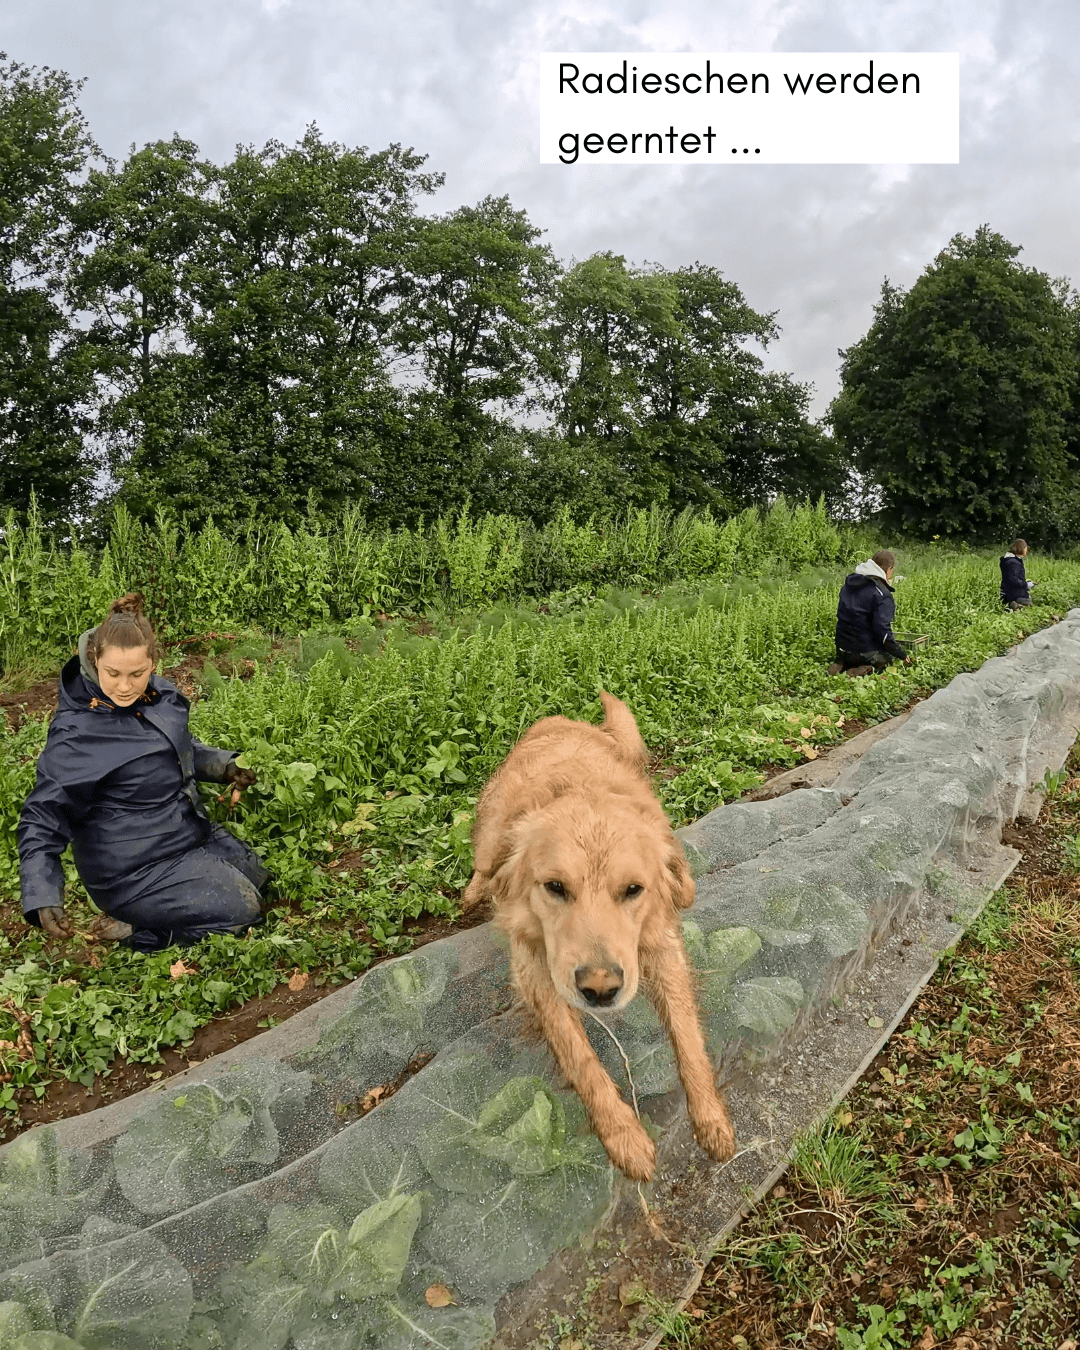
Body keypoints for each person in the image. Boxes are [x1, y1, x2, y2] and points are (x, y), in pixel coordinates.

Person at [18, 594, 268, 952]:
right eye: (113, 674)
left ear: (152, 663)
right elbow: (43, 815)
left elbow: (181, 750)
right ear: (94, 661)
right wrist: (41, 891)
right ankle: (139, 927)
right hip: (132, 869)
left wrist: (227, 766)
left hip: (184, 833)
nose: (124, 687)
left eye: (137, 673)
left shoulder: (156, 696)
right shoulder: (77, 734)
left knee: (259, 879)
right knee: (243, 909)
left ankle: (163, 906)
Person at [828, 549, 911, 676]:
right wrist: (901, 654)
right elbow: (883, 633)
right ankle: (861, 670)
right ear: (889, 569)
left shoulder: (849, 584)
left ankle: (840, 664)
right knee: (887, 660)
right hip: (862, 651)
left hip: (841, 647)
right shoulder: (881, 594)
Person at [1000, 538, 1036, 610]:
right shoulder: (1013, 562)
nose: (1026, 551)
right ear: (1021, 548)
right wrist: (1026, 585)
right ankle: (1014, 605)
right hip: (1015, 593)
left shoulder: (1009, 560)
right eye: (1026, 548)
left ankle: (1013, 604)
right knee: (1029, 606)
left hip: (1008, 591)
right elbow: (1013, 580)